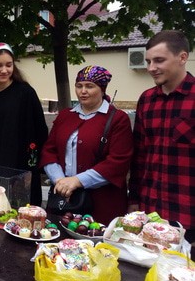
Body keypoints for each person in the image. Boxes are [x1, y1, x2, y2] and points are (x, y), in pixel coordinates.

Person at [40, 65, 133, 224]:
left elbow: (118, 162)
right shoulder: (65, 116)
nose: (83, 91)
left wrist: (77, 181)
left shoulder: (118, 119)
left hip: (102, 204)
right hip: (64, 201)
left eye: (90, 86)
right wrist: (60, 181)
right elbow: (49, 151)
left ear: (102, 89)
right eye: (79, 86)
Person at [128, 30, 194, 243]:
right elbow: (139, 155)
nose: (151, 68)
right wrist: (134, 200)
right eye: (148, 61)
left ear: (182, 57)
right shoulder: (146, 100)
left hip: (188, 216)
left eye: (159, 60)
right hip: (150, 213)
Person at [0, 43, 48, 206]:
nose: (4, 70)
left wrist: (35, 161)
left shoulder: (25, 93)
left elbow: (40, 130)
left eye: (8, 65)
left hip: (19, 165)